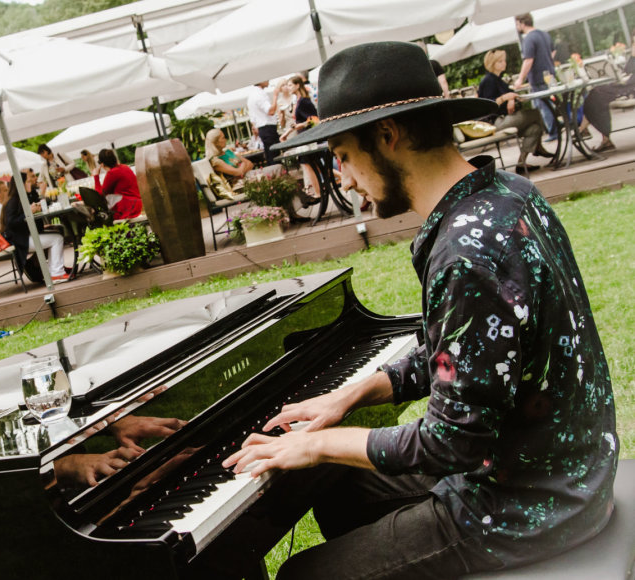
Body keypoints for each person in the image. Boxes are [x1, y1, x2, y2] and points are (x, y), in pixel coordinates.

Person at [224, 41, 616, 579]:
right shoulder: (506, 191)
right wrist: (351, 394)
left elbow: (451, 441)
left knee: (301, 574)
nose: (342, 178)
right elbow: (462, 356)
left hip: (530, 502)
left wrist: (318, 446)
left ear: (389, 135)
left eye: (342, 155)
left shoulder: (466, 253)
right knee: (343, 493)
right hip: (551, 463)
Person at [478, 49, 553, 175]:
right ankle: (538, 148)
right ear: (493, 63)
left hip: (505, 118)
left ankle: (521, 163)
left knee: (534, 128)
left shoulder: (498, 79)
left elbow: (511, 95)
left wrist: (513, 98)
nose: (504, 63)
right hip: (496, 122)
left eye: (504, 61)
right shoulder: (488, 80)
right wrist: (505, 98)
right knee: (535, 113)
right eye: (500, 61)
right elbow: (486, 105)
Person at [0, 179, 70, 283]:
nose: (30, 184)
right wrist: (29, 212)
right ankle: (57, 274)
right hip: (19, 240)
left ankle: (54, 271)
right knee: (57, 238)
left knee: (56, 233)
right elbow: (12, 223)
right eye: (27, 182)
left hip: (22, 236)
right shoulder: (13, 201)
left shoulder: (17, 199)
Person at [513, 12, 558, 141]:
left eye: (517, 24)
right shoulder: (544, 34)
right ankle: (556, 127)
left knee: (543, 105)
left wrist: (520, 79)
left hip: (538, 77)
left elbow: (528, 60)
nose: (517, 27)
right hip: (550, 74)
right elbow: (553, 51)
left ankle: (553, 132)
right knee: (551, 102)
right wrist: (546, 61)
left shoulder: (529, 39)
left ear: (521, 23)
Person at [279, 75, 323, 203]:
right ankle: (323, 189)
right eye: (288, 85)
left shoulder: (304, 101)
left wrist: (302, 125)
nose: (288, 87)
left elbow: (314, 119)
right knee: (312, 165)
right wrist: (286, 133)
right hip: (303, 136)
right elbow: (297, 122)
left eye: (291, 85)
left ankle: (318, 194)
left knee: (307, 163)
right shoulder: (297, 101)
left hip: (308, 137)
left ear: (298, 85)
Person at [93, 149, 143, 220]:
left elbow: (100, 195)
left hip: (128, 210)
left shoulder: (112, 173)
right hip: (137, 205)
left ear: (102, 164)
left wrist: (96, 177)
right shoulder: (125, 167)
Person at [247, 80, 282, 164]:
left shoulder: (251, 95)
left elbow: (252, 118)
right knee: (275, 156)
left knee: (270, 155)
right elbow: (271, 111)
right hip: (268, 128)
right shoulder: (259, 94)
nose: (268, 80)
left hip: (263, 129)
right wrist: (275, 95)